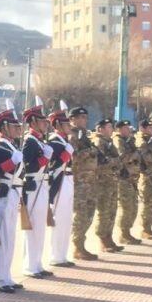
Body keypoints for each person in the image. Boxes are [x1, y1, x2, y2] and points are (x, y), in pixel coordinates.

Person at [0, 109, 24, 293]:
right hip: (2, 193)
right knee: (2, 237)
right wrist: (11, 162)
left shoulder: (11, 146)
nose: (18, 129)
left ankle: (7, 275)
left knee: (10, 237)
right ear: (4, 127)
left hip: (13, 193)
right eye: (14, 126)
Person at [21, 105, 53, 277]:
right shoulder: (30, 141)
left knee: (40, 227)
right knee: (32, 226)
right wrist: (44, 159)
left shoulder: (39, 141)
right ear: (33, 122)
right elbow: (28, 167)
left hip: (42, 185)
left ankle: (37, 263)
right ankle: (30, 266)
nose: (46, 124)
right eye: (42, 121)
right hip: (33, 185)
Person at [68, 107, 99, 260]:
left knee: (89, 214)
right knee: (80, 214)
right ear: (72, 119)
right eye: (80, 117)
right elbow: (71, 158)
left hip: (90, 182)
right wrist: (89, 152)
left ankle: (81, 244)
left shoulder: (85, 136)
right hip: (79, 182)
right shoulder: (71, 136)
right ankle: (77, 246)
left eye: (85, 117)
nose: (84, 120)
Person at [47, 110, 75, 267]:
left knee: (67, 220)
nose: (69, 126)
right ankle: (56, 256)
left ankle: (63, 255)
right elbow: (53, 165)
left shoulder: (64, 141)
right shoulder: (54, 141)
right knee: (60, 219)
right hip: (60, 181)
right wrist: (66, 154)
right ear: (57, 125)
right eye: (65, 124)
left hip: (69, 179)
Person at [93, 118, 123, 253]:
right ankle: (103, 239)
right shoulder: (99, 142)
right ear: (101, 129)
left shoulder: (109, 142)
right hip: (103, 182)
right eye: (109, 127)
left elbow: (116, 161)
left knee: (112, 211)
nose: (111, 129)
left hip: (111, 180)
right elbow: (100, 163)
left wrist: (116, 162)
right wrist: (116, 161)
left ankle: (109, 237)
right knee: (104, 212)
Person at [113, 120, 142, 245]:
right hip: (123, 179)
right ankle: (123, 234)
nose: (129, 130)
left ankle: (127, 232)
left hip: (132, 178)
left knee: (133, 208)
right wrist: (135, 153)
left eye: (129, 127)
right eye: (125, 128)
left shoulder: (128, 140)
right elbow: (122, 157)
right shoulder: (118, 140)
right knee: (126, 208)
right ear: (119, 129)